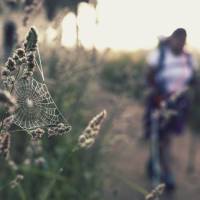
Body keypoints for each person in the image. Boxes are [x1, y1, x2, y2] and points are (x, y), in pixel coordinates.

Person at [144, 28, 197, 190]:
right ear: (172, 39)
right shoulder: (159, 56)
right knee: (164, 138)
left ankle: (153, 162)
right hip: (159, 102)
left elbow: (194, 79)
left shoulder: (189, 59)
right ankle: (166, 173)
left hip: (179, 105)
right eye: (178, 40)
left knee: (166, 137)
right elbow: (149, 77)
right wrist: (156, 94)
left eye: (183, 41)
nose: (180, 44)